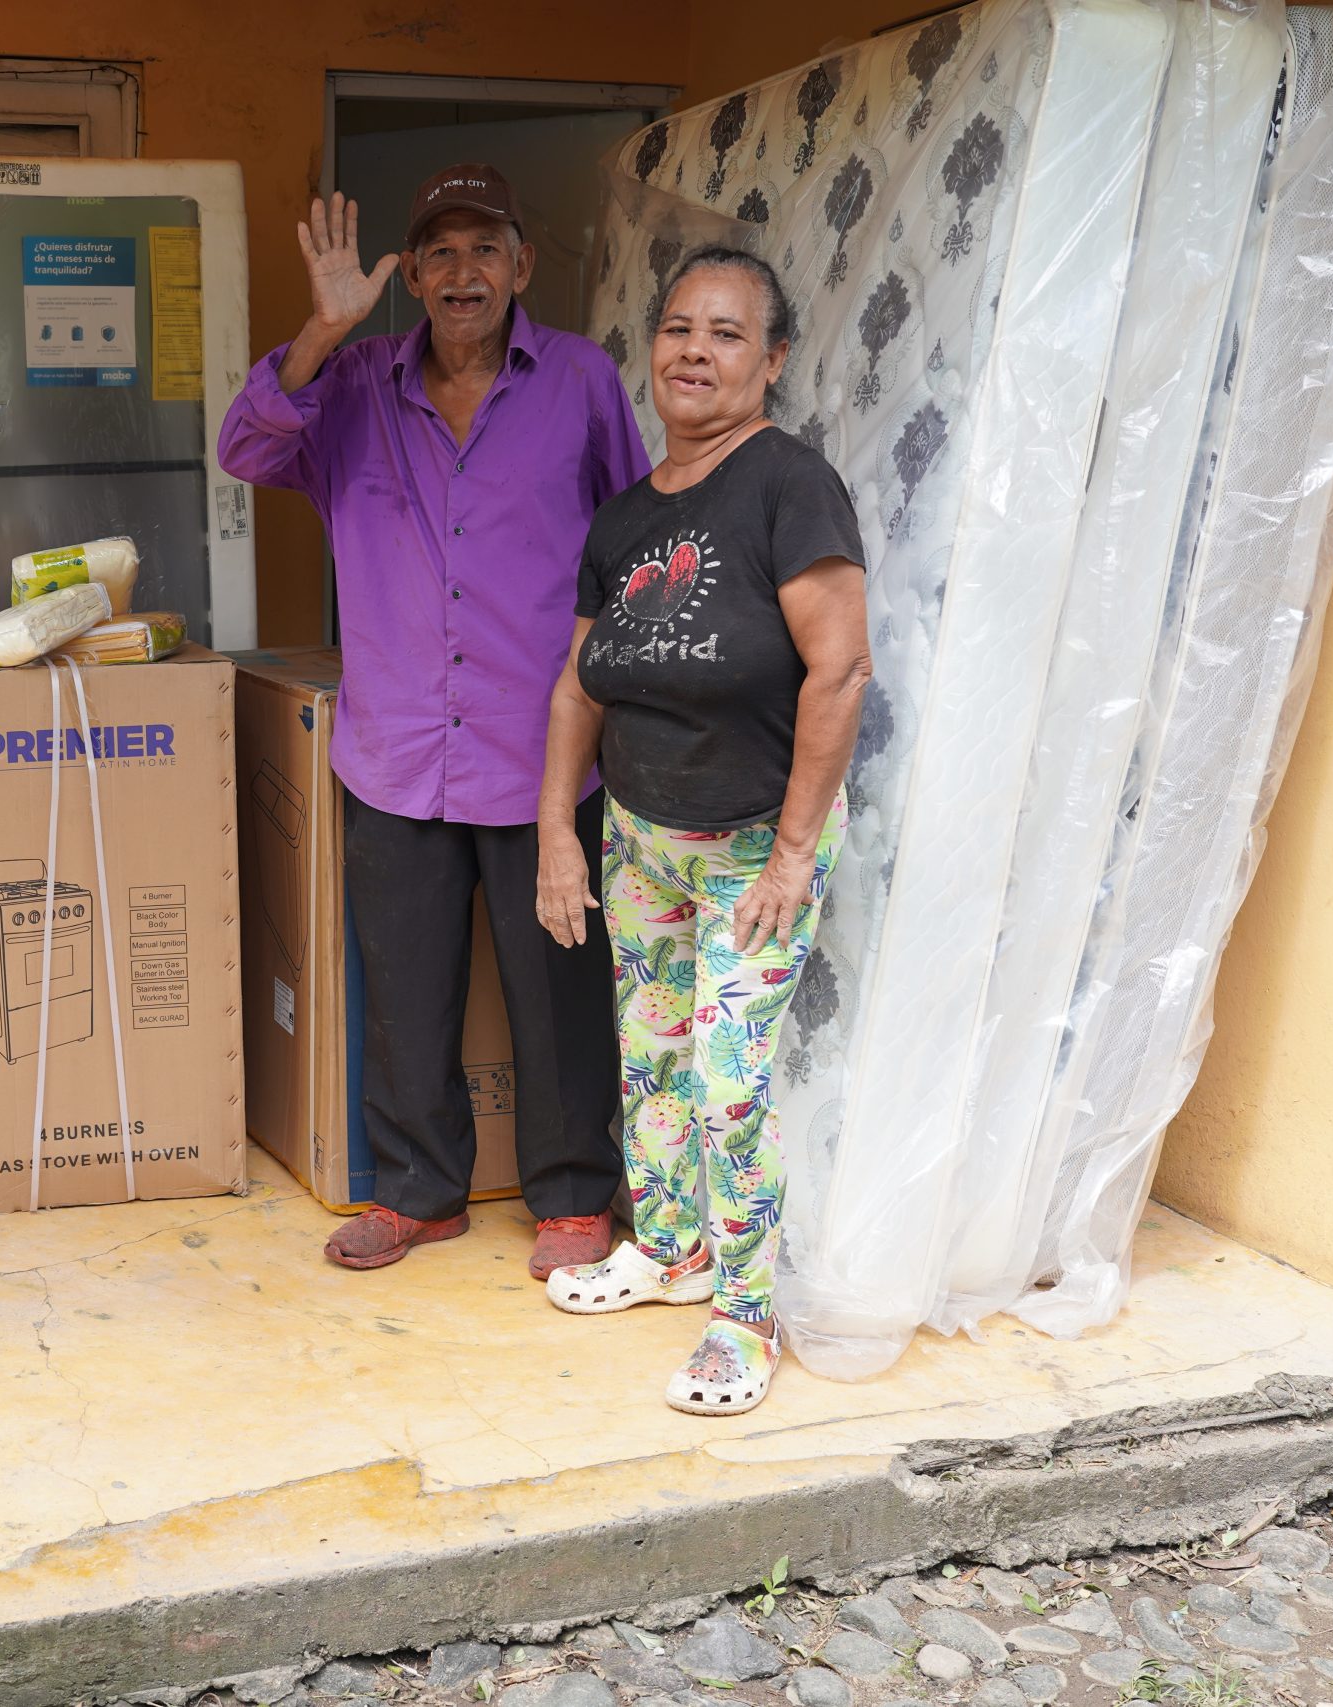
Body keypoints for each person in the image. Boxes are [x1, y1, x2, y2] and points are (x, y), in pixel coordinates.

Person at [219, 165, 651, 1280]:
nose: (464, 273)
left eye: (484, 249)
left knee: (558, 990)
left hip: (542, 754)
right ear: (409, 275)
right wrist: (321, 330)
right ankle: (418, 1192)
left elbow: (633, 534)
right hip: (398, 750)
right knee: (404, 990)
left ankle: (571, 1196)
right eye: (440, 253)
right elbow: (246, 450)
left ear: (522, 265)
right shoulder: (353, 383)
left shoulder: (579, 379)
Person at [532, 247, 871, 1416]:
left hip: (752, 847)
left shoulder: (790, 486)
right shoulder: (627, 517)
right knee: (653, 1059)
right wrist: (558, 831)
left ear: (770, 362)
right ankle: (670, 1251)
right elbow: (578, 686)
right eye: (678, 327)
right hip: (640, 837)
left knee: (727, 1085)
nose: (694, 351)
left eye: (726, 334)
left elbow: (841, 669)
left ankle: (744, 1314)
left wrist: (792, 853)